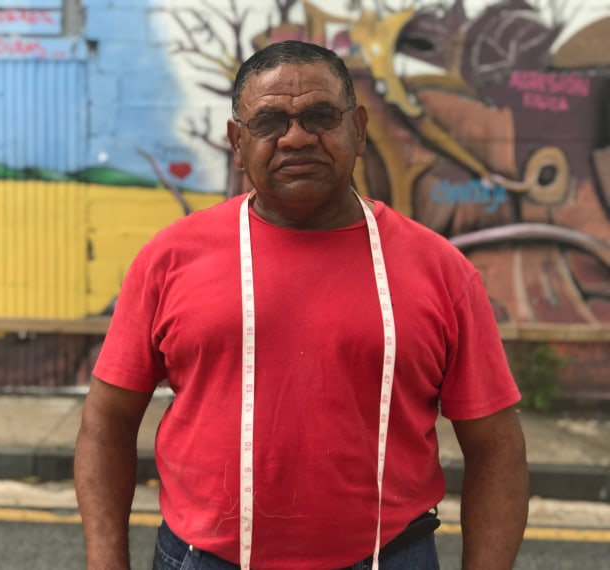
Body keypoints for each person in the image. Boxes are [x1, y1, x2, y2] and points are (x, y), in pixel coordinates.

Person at [74, 40, 529, 570]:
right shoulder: (170, 259)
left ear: (357, 129)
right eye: (269, 122)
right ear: (236, 142)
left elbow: (497, 447)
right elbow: (106, 423)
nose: (296, 138)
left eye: (320, 116)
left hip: (389, 557)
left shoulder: (440, 270)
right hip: (205, 559)